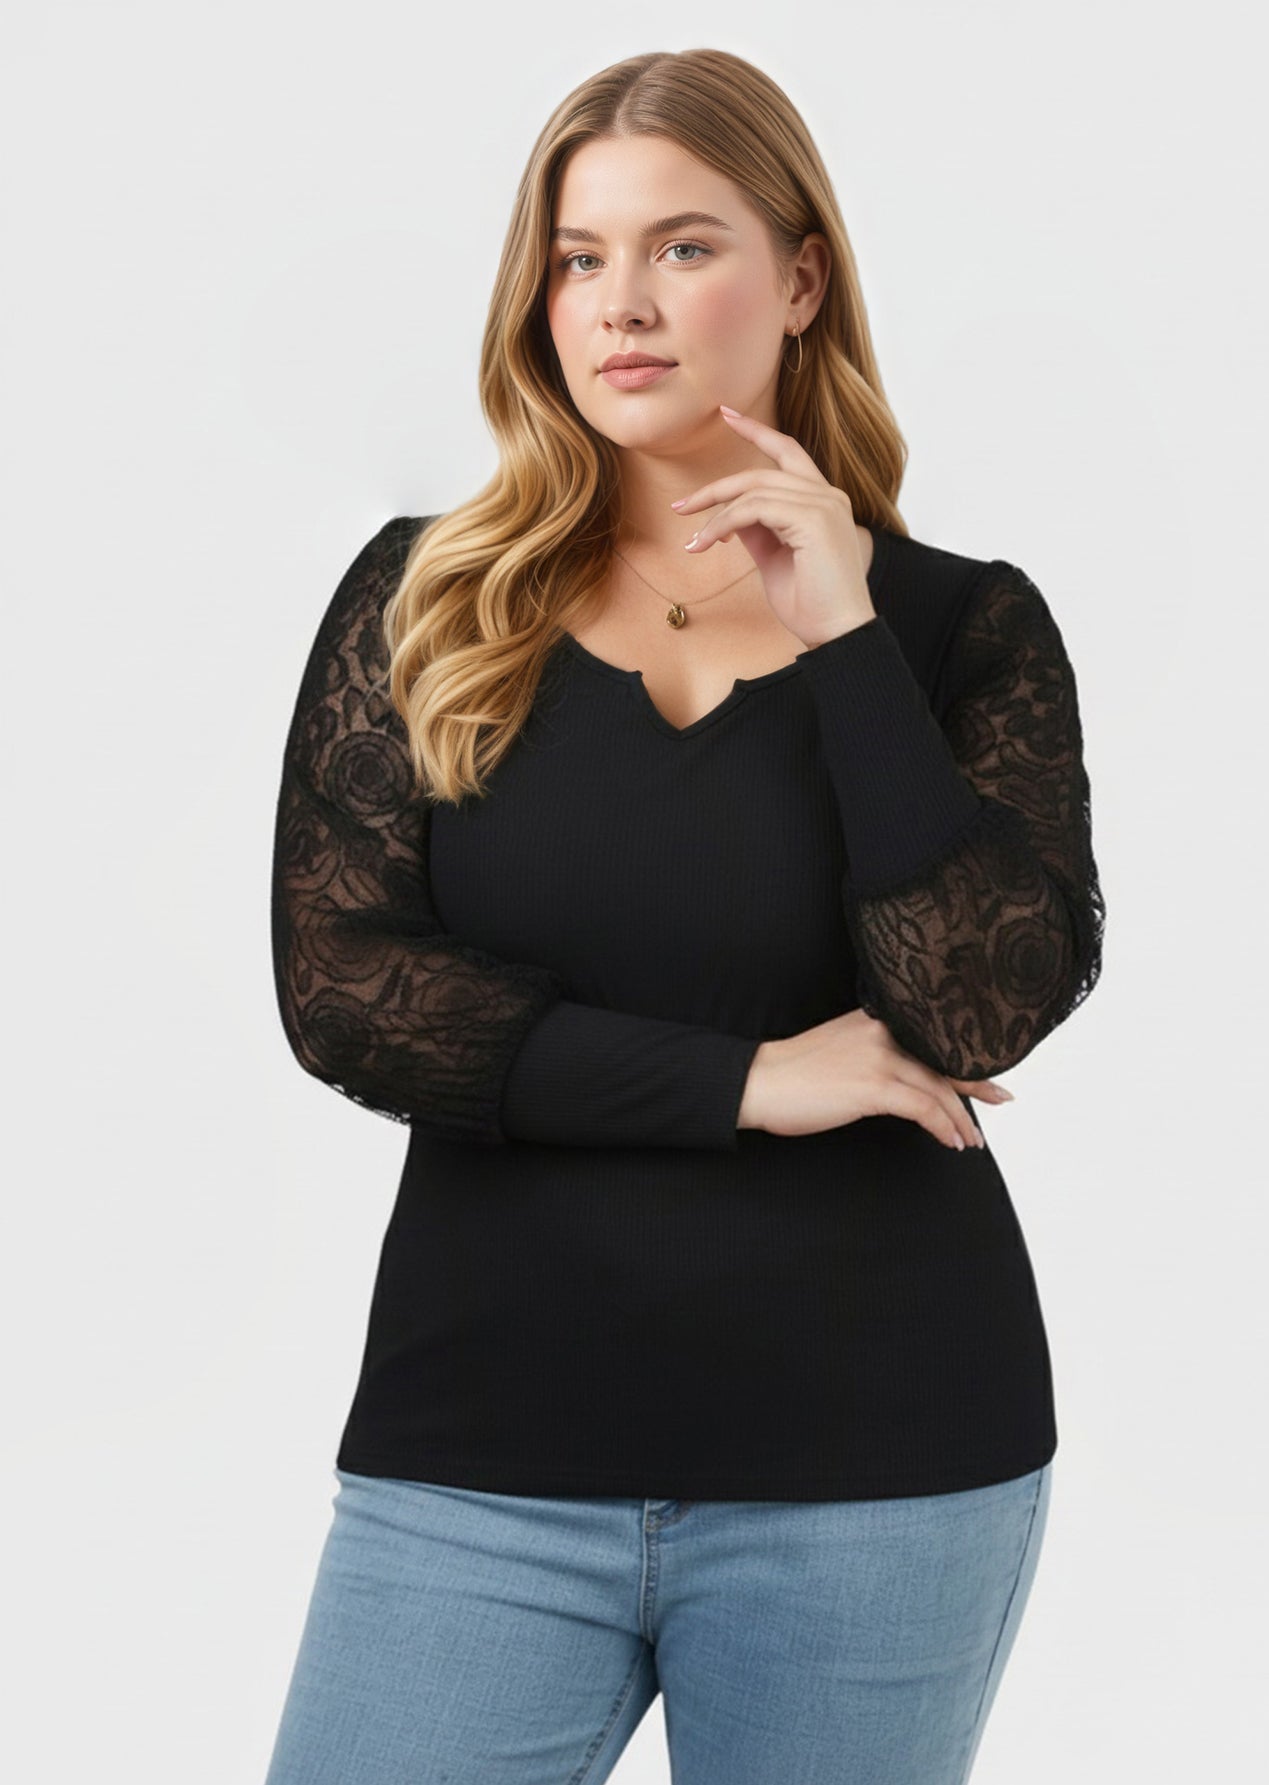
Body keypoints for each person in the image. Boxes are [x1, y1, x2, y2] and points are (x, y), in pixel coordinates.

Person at [262, 46, 1105, 1785]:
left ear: (801, 280)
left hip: (879, 1468)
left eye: (684, 247)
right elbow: (348, 993)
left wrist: (846, 636)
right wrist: (748, 1081)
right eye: (579, 257)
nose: (620, 303)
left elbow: (980, 1009)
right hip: (479, 1454)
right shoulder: (428, 601)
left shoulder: (958, 631)